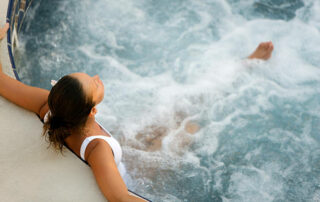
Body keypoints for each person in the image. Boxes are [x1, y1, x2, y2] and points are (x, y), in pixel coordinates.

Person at [0, 23, 273, 201]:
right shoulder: (96, 149)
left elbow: (2, 82)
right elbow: (119, 196)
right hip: (138, 172)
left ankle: (243, 65)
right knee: (189, 129)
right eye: (94, 83)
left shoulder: (48, 105)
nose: (97, 77)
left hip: (125, 149)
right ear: (93, 111)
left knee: (178, 109)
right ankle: (244, 71)